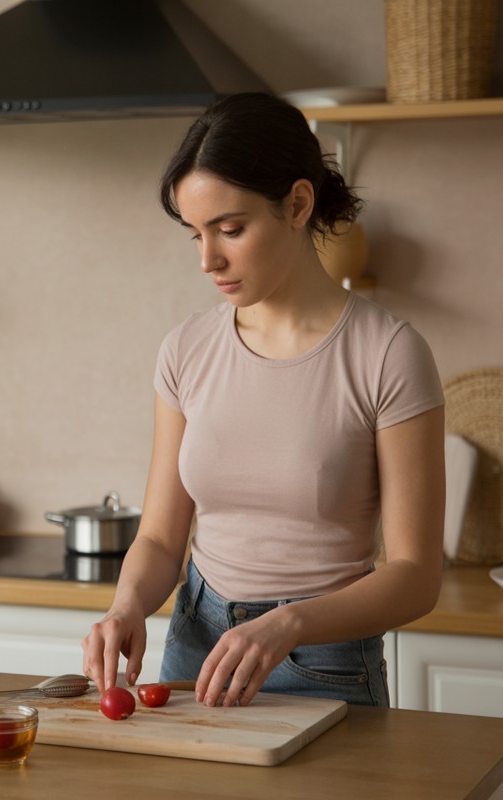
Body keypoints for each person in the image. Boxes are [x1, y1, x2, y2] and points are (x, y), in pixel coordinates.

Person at [81, 92, 445, 708]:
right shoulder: (186, 349)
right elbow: (162, 539)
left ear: (298, 204)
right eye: (195, 233)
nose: (207, 259)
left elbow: (416, 577)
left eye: (230, 229)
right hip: (195, 648)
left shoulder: (388, 354)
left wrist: (292, 623)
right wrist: (125, 607)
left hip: (323, 661)